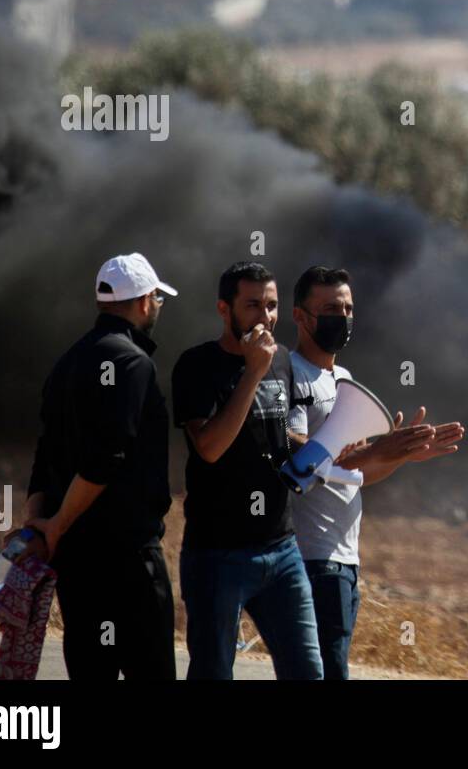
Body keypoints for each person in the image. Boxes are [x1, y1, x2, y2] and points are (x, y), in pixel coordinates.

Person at [287, 265, 464, 679]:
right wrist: (375, 449)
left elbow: (356, 474)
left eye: (348, 309)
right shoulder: (290, 374)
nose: (343, 318)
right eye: (330, 308)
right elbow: (295, 454)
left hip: (345, 560)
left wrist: (400, 454)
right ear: (300, 316)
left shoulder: (343, 380)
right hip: (313, 558)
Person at [21, 253, 178, 679]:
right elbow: (107, 458)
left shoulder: (66, 363)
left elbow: (46, 454)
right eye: (157, 300)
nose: (158, 308)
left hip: (76, 562)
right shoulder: (132, 362)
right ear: (145, 302)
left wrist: (38, 523)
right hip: (126, 560)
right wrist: (54, 526)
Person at [172, 260, 322, 679]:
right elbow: (210, 447)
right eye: (253, 305)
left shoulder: (283, 361)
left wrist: (340, 446)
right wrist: (252, 373)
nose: (266, 317)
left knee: (308, 671)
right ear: (225, 309)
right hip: (218, 552)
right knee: (213, 671)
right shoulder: (197, 365)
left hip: (281, 548)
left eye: (272, 305)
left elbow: (277, 433)